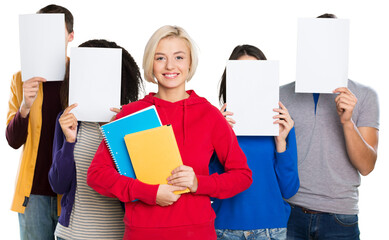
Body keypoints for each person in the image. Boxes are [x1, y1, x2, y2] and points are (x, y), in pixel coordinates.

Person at [86, 25, 253, 240]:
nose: (170, 66)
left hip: (197, 232)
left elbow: (242, 176)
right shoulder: (131, 114)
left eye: (179, 57)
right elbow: (97, 176)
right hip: (142, 233)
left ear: (190, 62)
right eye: (160, 58)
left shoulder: (209, 115)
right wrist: (149, 193)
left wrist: (198, 183)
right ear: (151, 63)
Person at [282, 14, 379, 240]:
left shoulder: (364, 95)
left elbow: (367, 166)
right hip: (289, 213)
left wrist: (347, 122)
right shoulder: (281, 95)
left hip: (339, 216)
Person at [49, 39, 143, 240]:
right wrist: (69, 141)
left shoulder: (129, 121)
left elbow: (139, 185)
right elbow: (58, 185)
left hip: (118, 234)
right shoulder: (67, 120)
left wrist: (116, 130)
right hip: (71, 235)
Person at [210, 44, 299, 240]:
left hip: (271, 230)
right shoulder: (216, 124)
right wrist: (218, 138)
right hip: (225, 228)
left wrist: (281, 144)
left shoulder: (281, 125)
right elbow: (208, 188)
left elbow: (289, 188)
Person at [5, 4, 74, 240]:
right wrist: (25, 104)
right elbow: (13, 141)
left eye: (56, 31)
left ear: (70, 36)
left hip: (73, 191)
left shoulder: (82, 74)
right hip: (33, 193)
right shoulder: (21, 78)